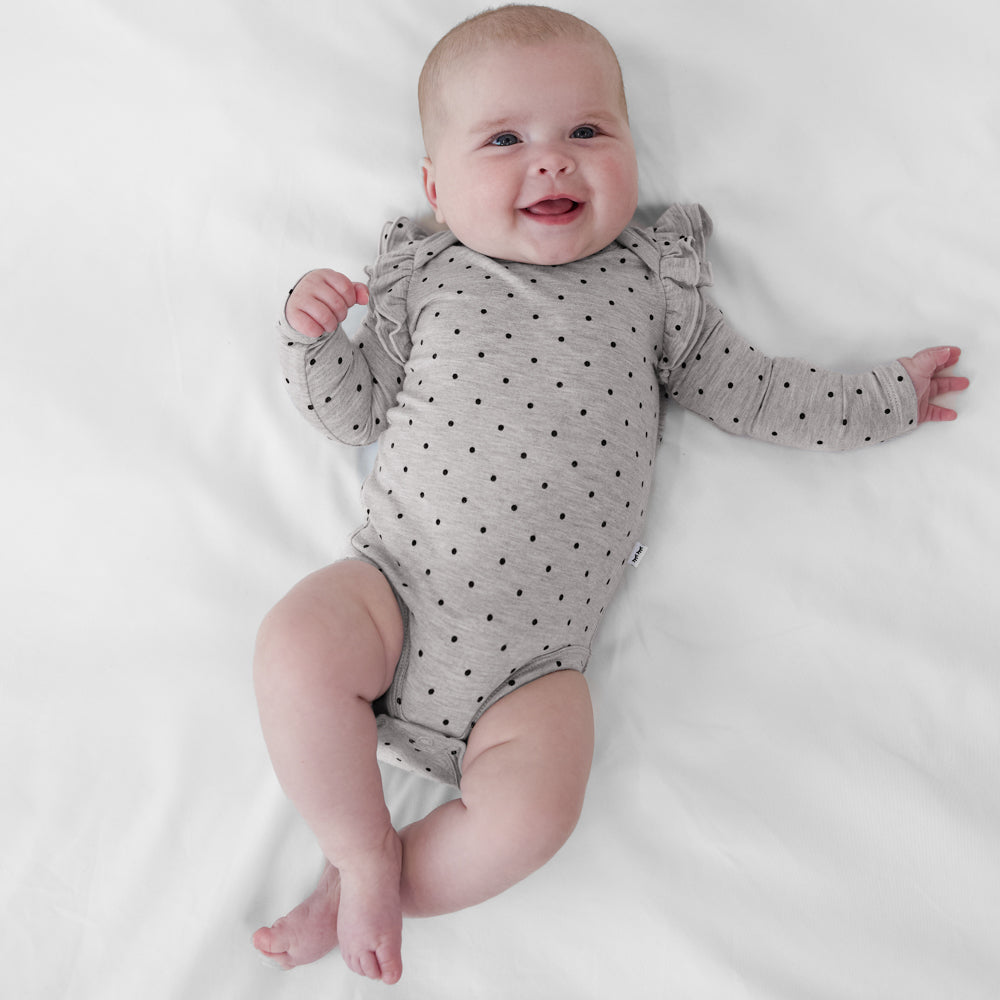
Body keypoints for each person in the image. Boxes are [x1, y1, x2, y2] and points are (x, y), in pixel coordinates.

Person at [251, 5, 968, 985]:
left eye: (587, 131)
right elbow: (351, 412)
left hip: (532, 675)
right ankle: (362, 844)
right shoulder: (426, 278)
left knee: (539, 813)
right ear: (434, 185)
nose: (551, 162)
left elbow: (758, 393)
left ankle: (365, 884)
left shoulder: (652, 291)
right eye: (504, 139)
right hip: (391, 588)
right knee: (295, 643)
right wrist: (310, 337)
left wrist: (882, 398)